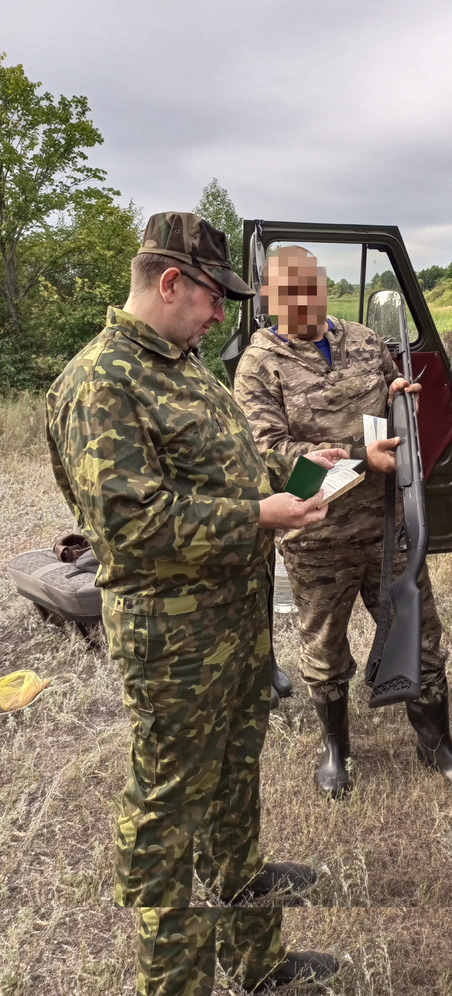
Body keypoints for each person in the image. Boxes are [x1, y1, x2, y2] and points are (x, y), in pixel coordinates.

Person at [46, 215, 340, 994]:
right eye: (215, 299)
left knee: (234, 790)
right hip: (174, 651)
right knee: (169, 820)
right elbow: (131, 524)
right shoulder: (101, 382)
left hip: (233, 636)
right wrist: (258, 516)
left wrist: (297, 467)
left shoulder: (181, 364)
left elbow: (234, 465)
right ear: (172, 283)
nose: (222, 316)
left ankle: (257, 964)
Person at [233, 245, 452, 799]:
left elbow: (390, 399)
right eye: (291, 296)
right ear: (271, 300)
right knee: (325, 651)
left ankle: (438, 744)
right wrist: (357, 454)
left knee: (421, 639)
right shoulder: (259, 365)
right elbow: (269, 451)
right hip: (314, 533)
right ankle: (336, 750)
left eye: (313, 289)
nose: (307, 305)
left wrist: (398, 397)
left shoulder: (365, 340)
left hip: (386, 526)